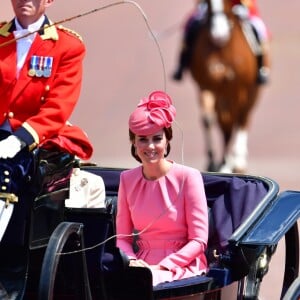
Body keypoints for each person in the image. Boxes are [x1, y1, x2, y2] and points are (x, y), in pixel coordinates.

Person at [0, 0, 93, 297]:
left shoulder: (67, 45)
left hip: (31, 139)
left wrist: (21, 139)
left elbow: (58, 107)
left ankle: (9, 276)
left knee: (8, 171)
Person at [116, 90, 209, 286]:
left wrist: (161, 267)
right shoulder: (127, 179)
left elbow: (199, 240)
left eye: (157, 138)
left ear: (167, 140)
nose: (150, 146)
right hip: (140, 265)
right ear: (133, 142)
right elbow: (122, 239)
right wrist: (132, 261)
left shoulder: (189, 177)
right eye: (143, 139)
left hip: (182, 265)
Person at [172, 0, 271, 84]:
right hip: (211, 9)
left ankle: (261, 67)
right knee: (191, 25)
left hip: (238, 8)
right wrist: (203, 5)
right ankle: (181, 65)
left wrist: (243, 6)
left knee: (258, 28)